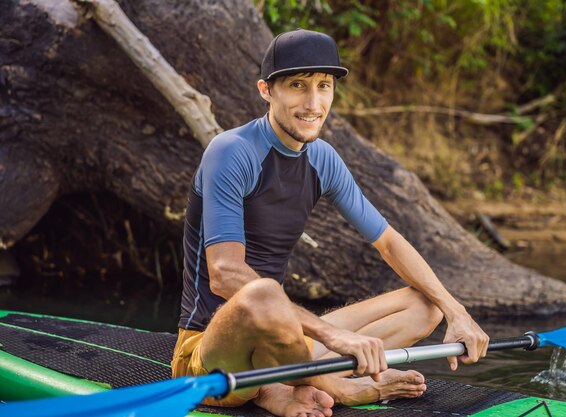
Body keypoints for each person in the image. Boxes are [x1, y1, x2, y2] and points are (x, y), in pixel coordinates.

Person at [171, 29, 489, 417]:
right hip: (209, 357)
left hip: (283, 344)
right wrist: (333, 335)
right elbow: (224, 275)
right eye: (297, 86)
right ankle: (338, 387)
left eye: (324, 86)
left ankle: (286, 385)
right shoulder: (231, 151)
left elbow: (389, 242)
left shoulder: (322, 159)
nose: (313, 102)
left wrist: (458, 312)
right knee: (263, 295)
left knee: (427, 304)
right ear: (266, 90)